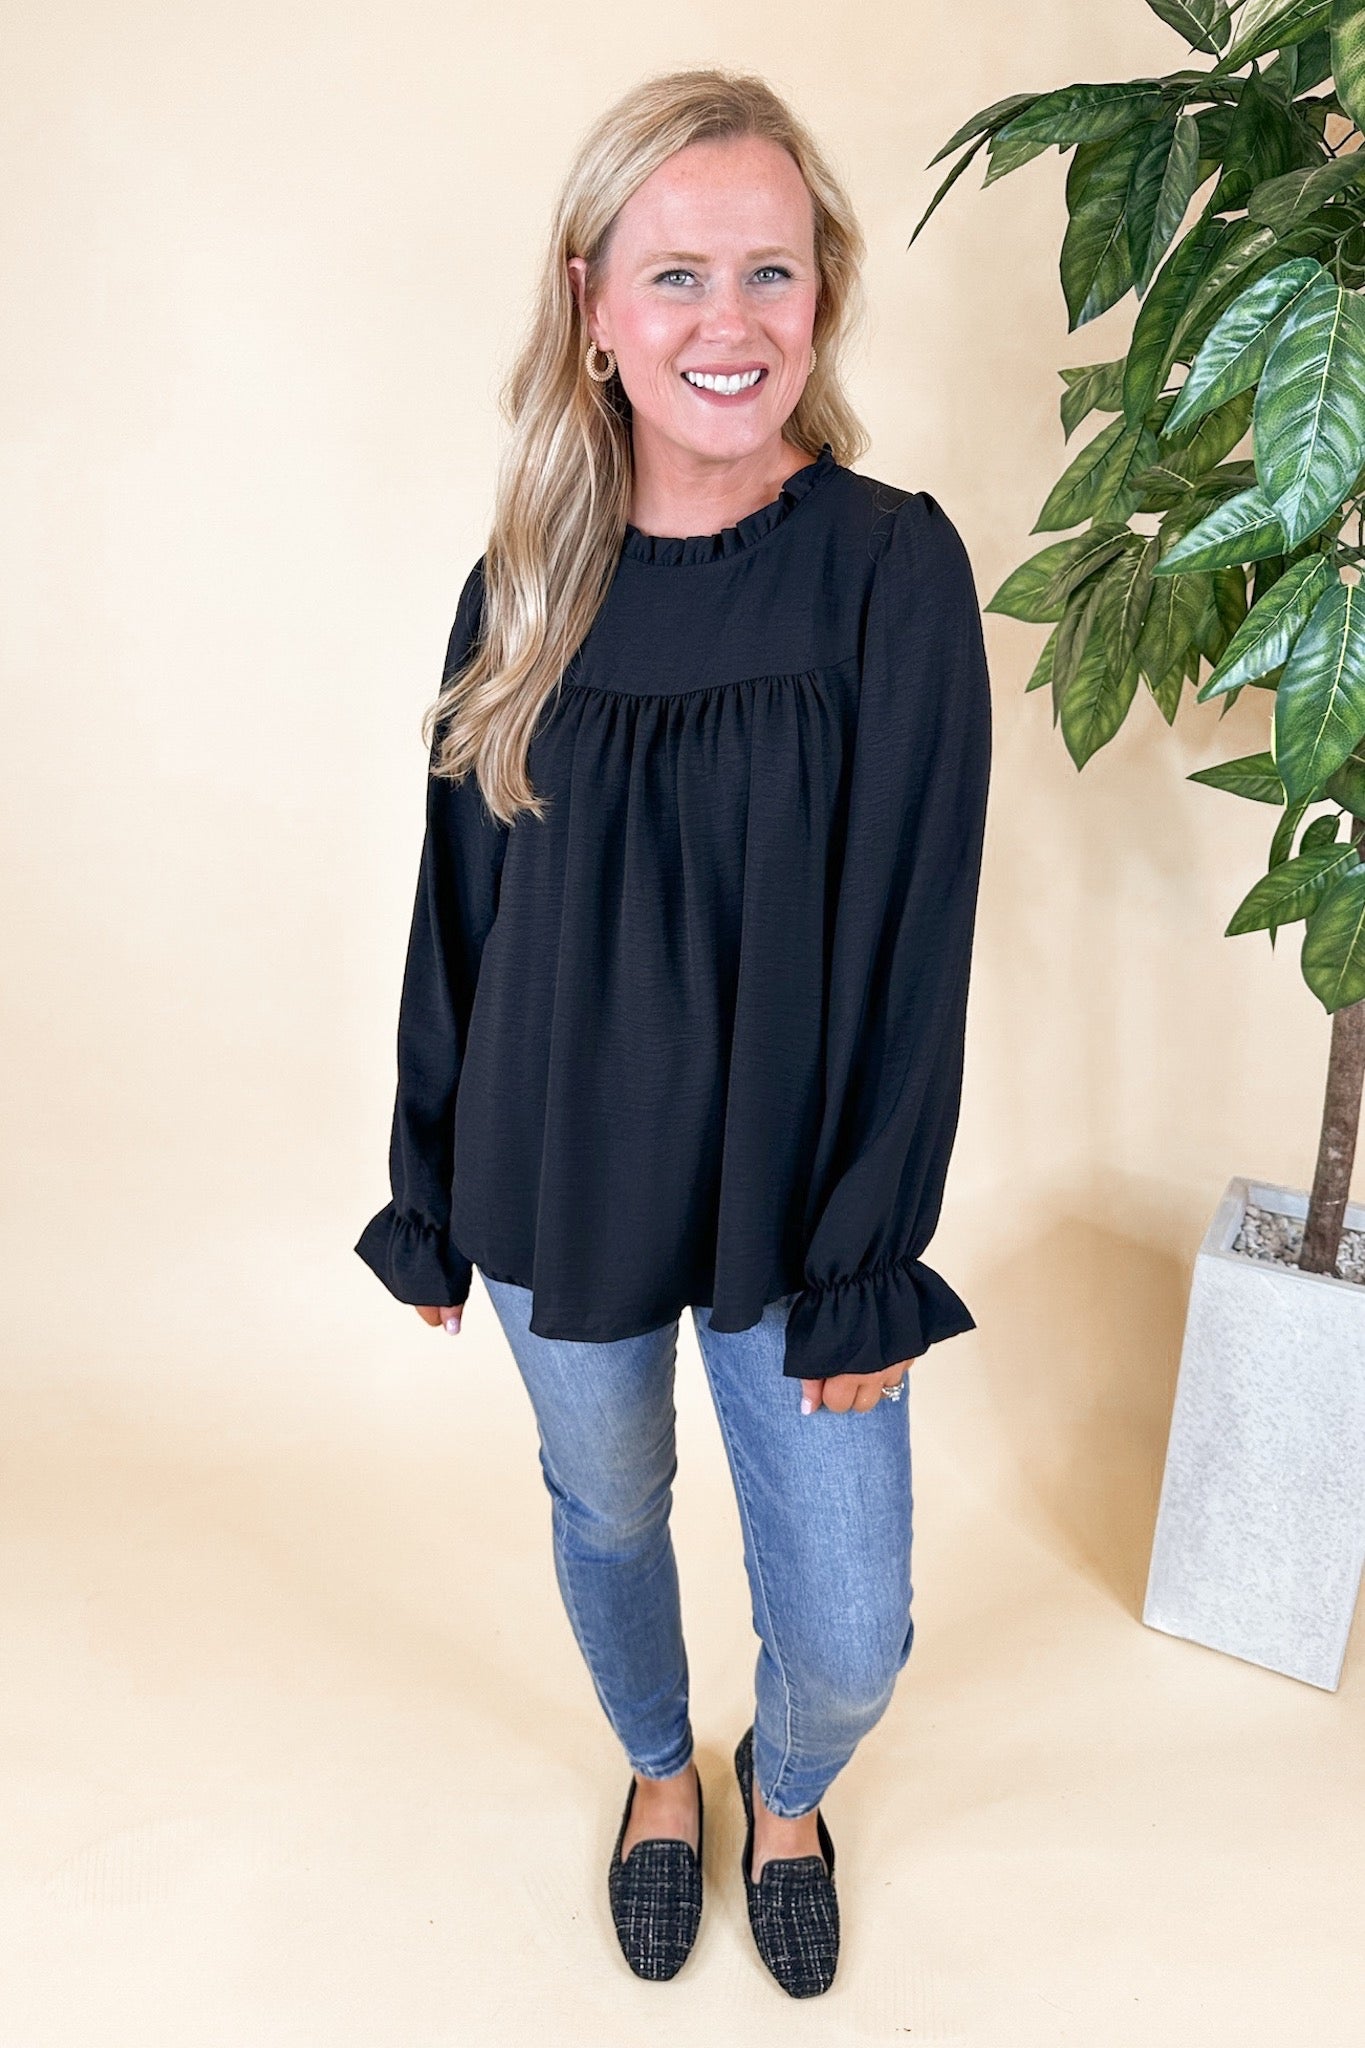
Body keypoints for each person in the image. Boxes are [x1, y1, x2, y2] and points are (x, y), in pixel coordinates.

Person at [354, 66, 992, 1999]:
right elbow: (459, 910)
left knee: (853, 1632)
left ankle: (783, 1793)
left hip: (802, 1210)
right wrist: (428, 1191)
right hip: (555, 1181)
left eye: (771, 272)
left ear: (823, 294)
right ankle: (658, 1772)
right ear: (592, 307)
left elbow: (919, 933)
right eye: (678, 275)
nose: (731, 322)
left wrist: (869, 1254)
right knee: (607, 1509)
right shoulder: (520, 586)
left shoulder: (889, 569)